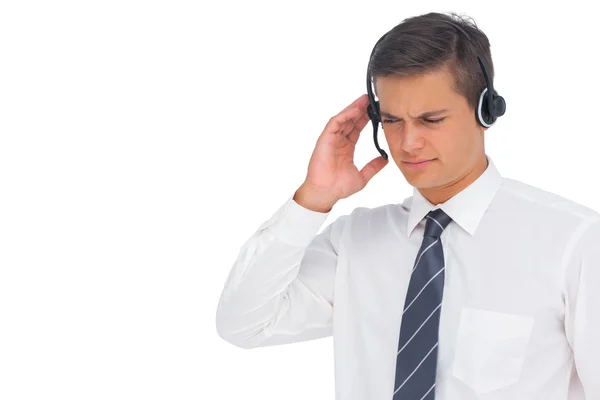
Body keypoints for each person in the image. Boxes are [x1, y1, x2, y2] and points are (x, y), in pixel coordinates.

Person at [215, 11, 600, 400]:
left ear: (486, 111)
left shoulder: (573, 242)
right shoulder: (354, 242)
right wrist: (313, 198)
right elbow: (243, 324)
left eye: (431, 120)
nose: (407, 142)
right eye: (392, 120)